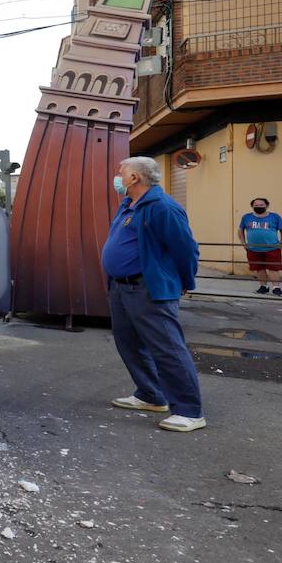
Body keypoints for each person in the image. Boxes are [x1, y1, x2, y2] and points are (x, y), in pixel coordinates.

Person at [100, 156, 206, 432]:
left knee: (167, 348)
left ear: (135, 177)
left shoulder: (162, 207)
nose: (117, 178)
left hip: (148, 287)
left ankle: (189, 411)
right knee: (129, 344)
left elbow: (186, 248)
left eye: (121, 173)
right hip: (121, 288)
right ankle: (150, 394)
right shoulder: (128, 205)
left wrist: (185, 280)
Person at [238, 197, 282, 296]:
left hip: (272, 248)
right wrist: (243, 243)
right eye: (256, 205)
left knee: (274, 268)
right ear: (252, 206)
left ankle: (276, 288)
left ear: (267, 206)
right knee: (259, 268)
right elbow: (240, 230)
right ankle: (263, 287)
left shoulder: (275, 217)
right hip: (253, 248)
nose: (259, 207)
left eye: (261, 205)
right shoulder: (246, 217)